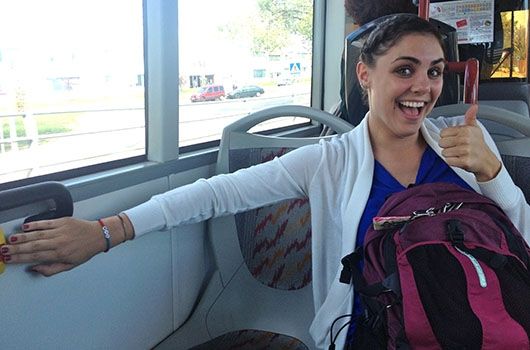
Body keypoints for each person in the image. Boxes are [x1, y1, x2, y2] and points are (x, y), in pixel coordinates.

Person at [2, 14, 529, 350]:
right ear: (365, 75)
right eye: (405, 69)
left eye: (435, 72)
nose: (423, 88)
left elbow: (519, 246)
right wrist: (105, 231)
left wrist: (495, 173)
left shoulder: (462, 144)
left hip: (477, 324)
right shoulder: (330, 162)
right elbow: (217, 192)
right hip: (370, 334)